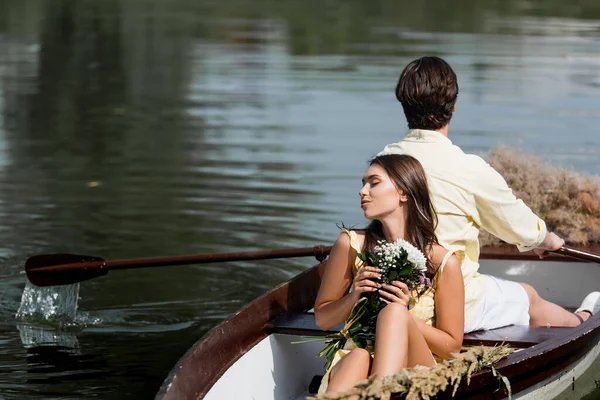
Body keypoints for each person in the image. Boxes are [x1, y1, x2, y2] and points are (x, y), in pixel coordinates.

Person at [379, 56, 600, 333]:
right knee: (529, 297)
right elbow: (518, 226)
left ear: (404, 105)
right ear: (454, 105)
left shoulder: (383, 162)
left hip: (393, 296)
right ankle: (581, 324)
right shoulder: (469, 168)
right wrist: (547, 239)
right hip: (457, 303)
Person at [314, 154, 464, 394]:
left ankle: (377, 392)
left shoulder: (442, 261)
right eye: (363, 183)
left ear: (403, 192)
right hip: (357, 357)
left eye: (374, 183)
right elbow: (322, 319)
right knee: (359, 356)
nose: (362, 191)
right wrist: (353, 296)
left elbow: (452, 348)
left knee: (394, 312)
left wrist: (406, 315)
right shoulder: (351, 245)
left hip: (415, 369)